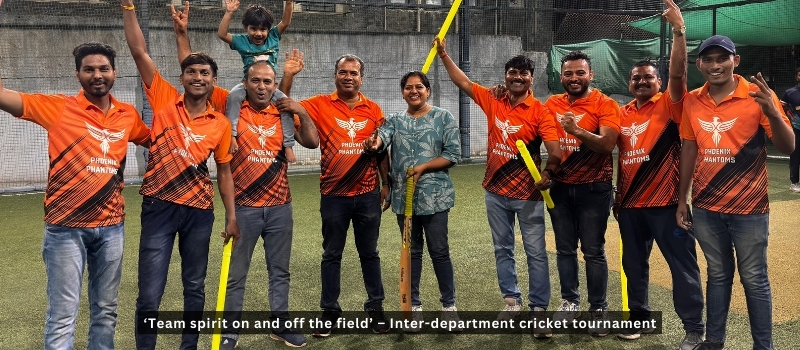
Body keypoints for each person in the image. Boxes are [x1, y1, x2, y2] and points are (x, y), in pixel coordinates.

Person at [0, 42, 149, 349]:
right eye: (89, 69)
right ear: (78, 74)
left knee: (106, 312)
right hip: (65, 229)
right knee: (63, 315)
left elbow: (159, 140)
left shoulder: (128, 115)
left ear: (114, 72)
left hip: (112, 229)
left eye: (103, 68)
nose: (97, 75)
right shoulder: (57, 107)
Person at [122, 2, 241, 349]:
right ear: (182, 78)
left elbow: (224, 172)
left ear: (213, 81)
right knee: (150, 292)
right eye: (192, 72)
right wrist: (129, 7)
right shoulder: (162, 100)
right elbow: (138, 50)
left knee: (194, 288)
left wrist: (231, 216)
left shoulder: (220, 124)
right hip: (158, 206)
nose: (198, 77)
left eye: (205, 73)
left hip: (200, 213)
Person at [434, 37, 562, 339]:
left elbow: (554, 150)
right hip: (495, 191)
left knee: (536, 252)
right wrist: (444, 56)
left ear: (531, 78)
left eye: (523, 74)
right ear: (505, 75)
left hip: (528, 194)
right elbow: (463, 82)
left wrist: (550, 171)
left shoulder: (540, 111)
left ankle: (539, 310)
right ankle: (511, 301)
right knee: (502, 248)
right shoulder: (494, 99)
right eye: (512, 73)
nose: (517, 78)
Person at [676, 34, 794, 350]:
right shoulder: (691, 100)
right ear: (699, 64)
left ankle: (763, 346)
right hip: (705, 208)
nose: (715, 66)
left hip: (750, 209)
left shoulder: (758, 96)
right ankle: (714, 342)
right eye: (708, 60)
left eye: (722, 58)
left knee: (754, 279)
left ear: (735, 61)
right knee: (717, 275)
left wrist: (772, 112)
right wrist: (681, 198)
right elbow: (689, 148)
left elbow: (788, 146)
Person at [613, 1, 704, 348]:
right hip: (631, 208)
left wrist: (679, 31)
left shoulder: (671, 104)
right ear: (629, 82)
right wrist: (619, 197)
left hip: (668, 205)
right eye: (636, 78)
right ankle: (640, 320)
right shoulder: (621, 113)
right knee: (633, 268)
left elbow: (679, 75)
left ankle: (694, 329)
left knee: (683, 269)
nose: (640, 81)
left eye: (647, 77)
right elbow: (622, 157)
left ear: (658, 82)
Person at [281, 53, 390, 337]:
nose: (349, 77)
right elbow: (285, 108)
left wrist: (386, 184)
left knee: (370, 254)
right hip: (333, 195)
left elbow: (382, 150)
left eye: (354, 73)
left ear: (361, 78)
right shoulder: (319, 105)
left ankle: (375, 310)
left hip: (368, 194)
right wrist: (289, 77)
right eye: (343, 72)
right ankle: (329, 312)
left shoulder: (374, 109)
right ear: (336, 75)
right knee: (331, 254)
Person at [217, 56, 318, 348]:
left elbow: (312, 142)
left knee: (280, 271)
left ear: (274, 86)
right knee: (236, 275)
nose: (261, 87)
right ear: (245, 83)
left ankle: (280, 325)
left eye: (267, 82)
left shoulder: (283, 111)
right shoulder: (231, 109)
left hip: (279, 207)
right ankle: (230, 332)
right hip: (243, 209)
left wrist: (302, 111)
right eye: (255, 81)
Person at [363, 71, 462, 333]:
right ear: (402, 92)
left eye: (419, 87)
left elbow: (453, 154)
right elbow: (380, 140)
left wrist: (424, 167)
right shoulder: (395, 120)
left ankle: (449, 308)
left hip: (436, 198)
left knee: (440, 252)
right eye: (408, 87)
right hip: (403, 199)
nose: (414, 91)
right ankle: (413, 307)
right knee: (412, 253)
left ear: (428, 90)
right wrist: (373, 143)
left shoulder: (444, 117)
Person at [544, 50, 621, 337]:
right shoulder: (551, 104)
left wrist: (576, 130)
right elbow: (548, 142)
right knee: (564, 249)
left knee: (593, 251)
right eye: (568, 73)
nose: (574, 78)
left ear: (591, 75)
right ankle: (569, 302)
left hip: (594, 189)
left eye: (580, 73)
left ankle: (598, 308)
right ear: (561, 76)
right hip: (560, 188)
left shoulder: (606, 104)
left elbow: (606, 145)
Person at [218, 0, 297, 162]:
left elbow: (286, 21)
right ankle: (232, 136)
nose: (258, 33)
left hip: (269, 88)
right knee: (233, 97)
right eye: (253, 29)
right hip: (248, 85)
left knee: (286, 106)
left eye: (263, 29)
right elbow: (222, 34)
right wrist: (229, 12)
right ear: (246, 28)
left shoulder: (274, 36)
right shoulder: (242, 41)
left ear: (269, 30)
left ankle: (288, 145)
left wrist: (289, 3)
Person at [781, 67, 800, 192]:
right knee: (795, 155)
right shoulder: (789, 92)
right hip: (796, 128)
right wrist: (790, 118)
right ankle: (794, 183)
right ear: (797, 76)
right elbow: (781, 107)